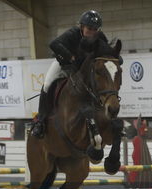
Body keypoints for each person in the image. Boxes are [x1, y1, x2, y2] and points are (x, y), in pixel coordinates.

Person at [31, 10, 107, 138]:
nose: (92, 32)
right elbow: (53, 44)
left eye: (96, 29)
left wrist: (115, 57)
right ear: (82, 27)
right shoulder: (73, 33)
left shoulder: (99, 36)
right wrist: (71, 57)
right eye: (89, 28)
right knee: (47, 85)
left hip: (83, 69)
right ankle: (41, 122)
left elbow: (107, 49)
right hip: (63, 64)